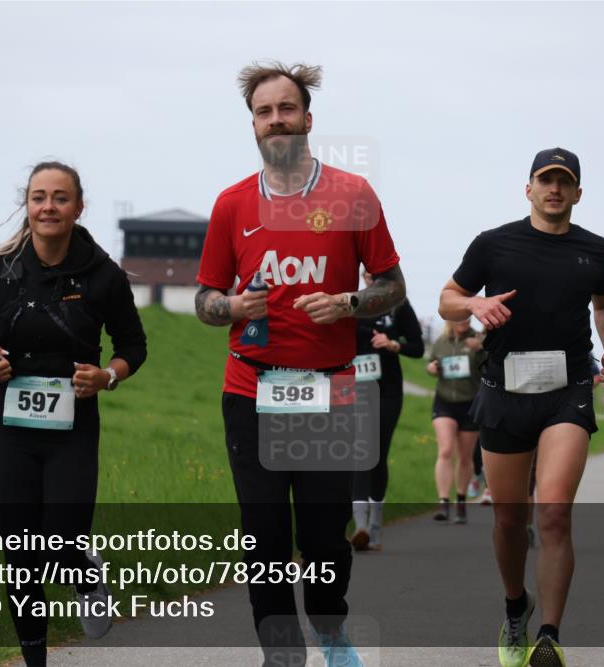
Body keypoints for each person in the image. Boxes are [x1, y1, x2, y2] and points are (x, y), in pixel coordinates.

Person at [194, 61, 405, 667]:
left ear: (308, 119)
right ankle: (280, 650)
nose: (276, 121)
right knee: (263, 533)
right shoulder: (232, 204)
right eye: (264, 112)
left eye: (286, 109)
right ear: (253, 125)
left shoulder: (352, 195)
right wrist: (231, 303)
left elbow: (393, 285)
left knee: (322, 531)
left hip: (331, 391)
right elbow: (207, 301)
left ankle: (332, 632)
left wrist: (349, 303)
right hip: (250, 390)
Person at [0, 162, 148, 667]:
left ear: (79, 207)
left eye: (61, 198)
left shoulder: (103, 274)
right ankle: (35, 659)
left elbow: (133, 346)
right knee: (20, 556)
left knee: (62, 541)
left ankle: (85, 571)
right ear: (27, 205)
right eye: (39, 197)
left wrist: (107, 376)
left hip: (73, 427)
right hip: (12, 427)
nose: (48, 207)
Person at [439, 147, 604, 667]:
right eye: (546, 180)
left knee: (555, 513)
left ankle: (549, 636)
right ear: (529, 188)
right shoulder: (493, 244)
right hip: (503, 391)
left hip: (566, 392)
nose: (555, 189)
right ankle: (516, 606)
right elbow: (447, 297)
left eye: (565, 182)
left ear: (578, 193)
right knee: (507, 519)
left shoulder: (598, 251)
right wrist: (473, 303)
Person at [351, 269, 424, 550]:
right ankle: (359, 527)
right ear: (362, 275)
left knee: (377, 454)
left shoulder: (399, 306)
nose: (371, 276)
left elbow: (417, 347)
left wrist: (393, 344)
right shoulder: (350, 303)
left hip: (388, 391)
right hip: (355, 388)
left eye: (376, 272)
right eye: (366, 272)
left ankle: (375, 525)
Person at [426, 319, 486, 524]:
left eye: (467, 317)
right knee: (445, 450)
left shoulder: (478, 339)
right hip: (444, 402)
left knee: (465, 456)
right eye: (459, 317)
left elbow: (491, 365)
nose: (464, 321)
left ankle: (461, 499)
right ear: (450, 318)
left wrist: (481, 349)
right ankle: (443, 502)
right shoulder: (441, 341)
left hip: (470, 404)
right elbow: (431, 364)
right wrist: (431, 368)